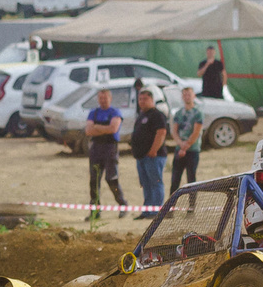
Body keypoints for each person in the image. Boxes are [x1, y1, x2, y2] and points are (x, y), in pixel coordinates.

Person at [84, 88, 127, 217]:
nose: (103, 101)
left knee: (111, 179)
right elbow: (88, 131)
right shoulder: (94, 112)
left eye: (105, 98)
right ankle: (95, 210)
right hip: (96, 148)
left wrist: (97, 127)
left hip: (110, 148)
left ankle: (122, 205)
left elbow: (113, 129)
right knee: (94, 180)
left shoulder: (115, 112)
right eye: (100, 98)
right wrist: (104, 129)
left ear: (110, 98)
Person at [129, 85, 170, 213]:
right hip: (141, 157)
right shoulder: (141, 115)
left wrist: (153, 150)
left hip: (153, 156)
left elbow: (161, 132)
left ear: (152, 100)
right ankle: (147, 210)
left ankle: (156, 212)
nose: (142, 101)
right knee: (146, 185)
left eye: (145, 99)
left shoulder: (157, 115)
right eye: (140, 99)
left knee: (155, 183)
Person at [168, 86, 204, 193]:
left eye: (189, 94)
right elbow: (174, 131)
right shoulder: (179, 113)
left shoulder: (198, 113)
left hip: (192, 150)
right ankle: (171, 205)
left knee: (191, 178)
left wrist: (186, 146)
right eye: (184, 94)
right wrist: (180, 144)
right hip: (179, 149)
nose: (187, 97)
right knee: (175, 178)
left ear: (194, 96)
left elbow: (196, 132)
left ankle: (191, 205)